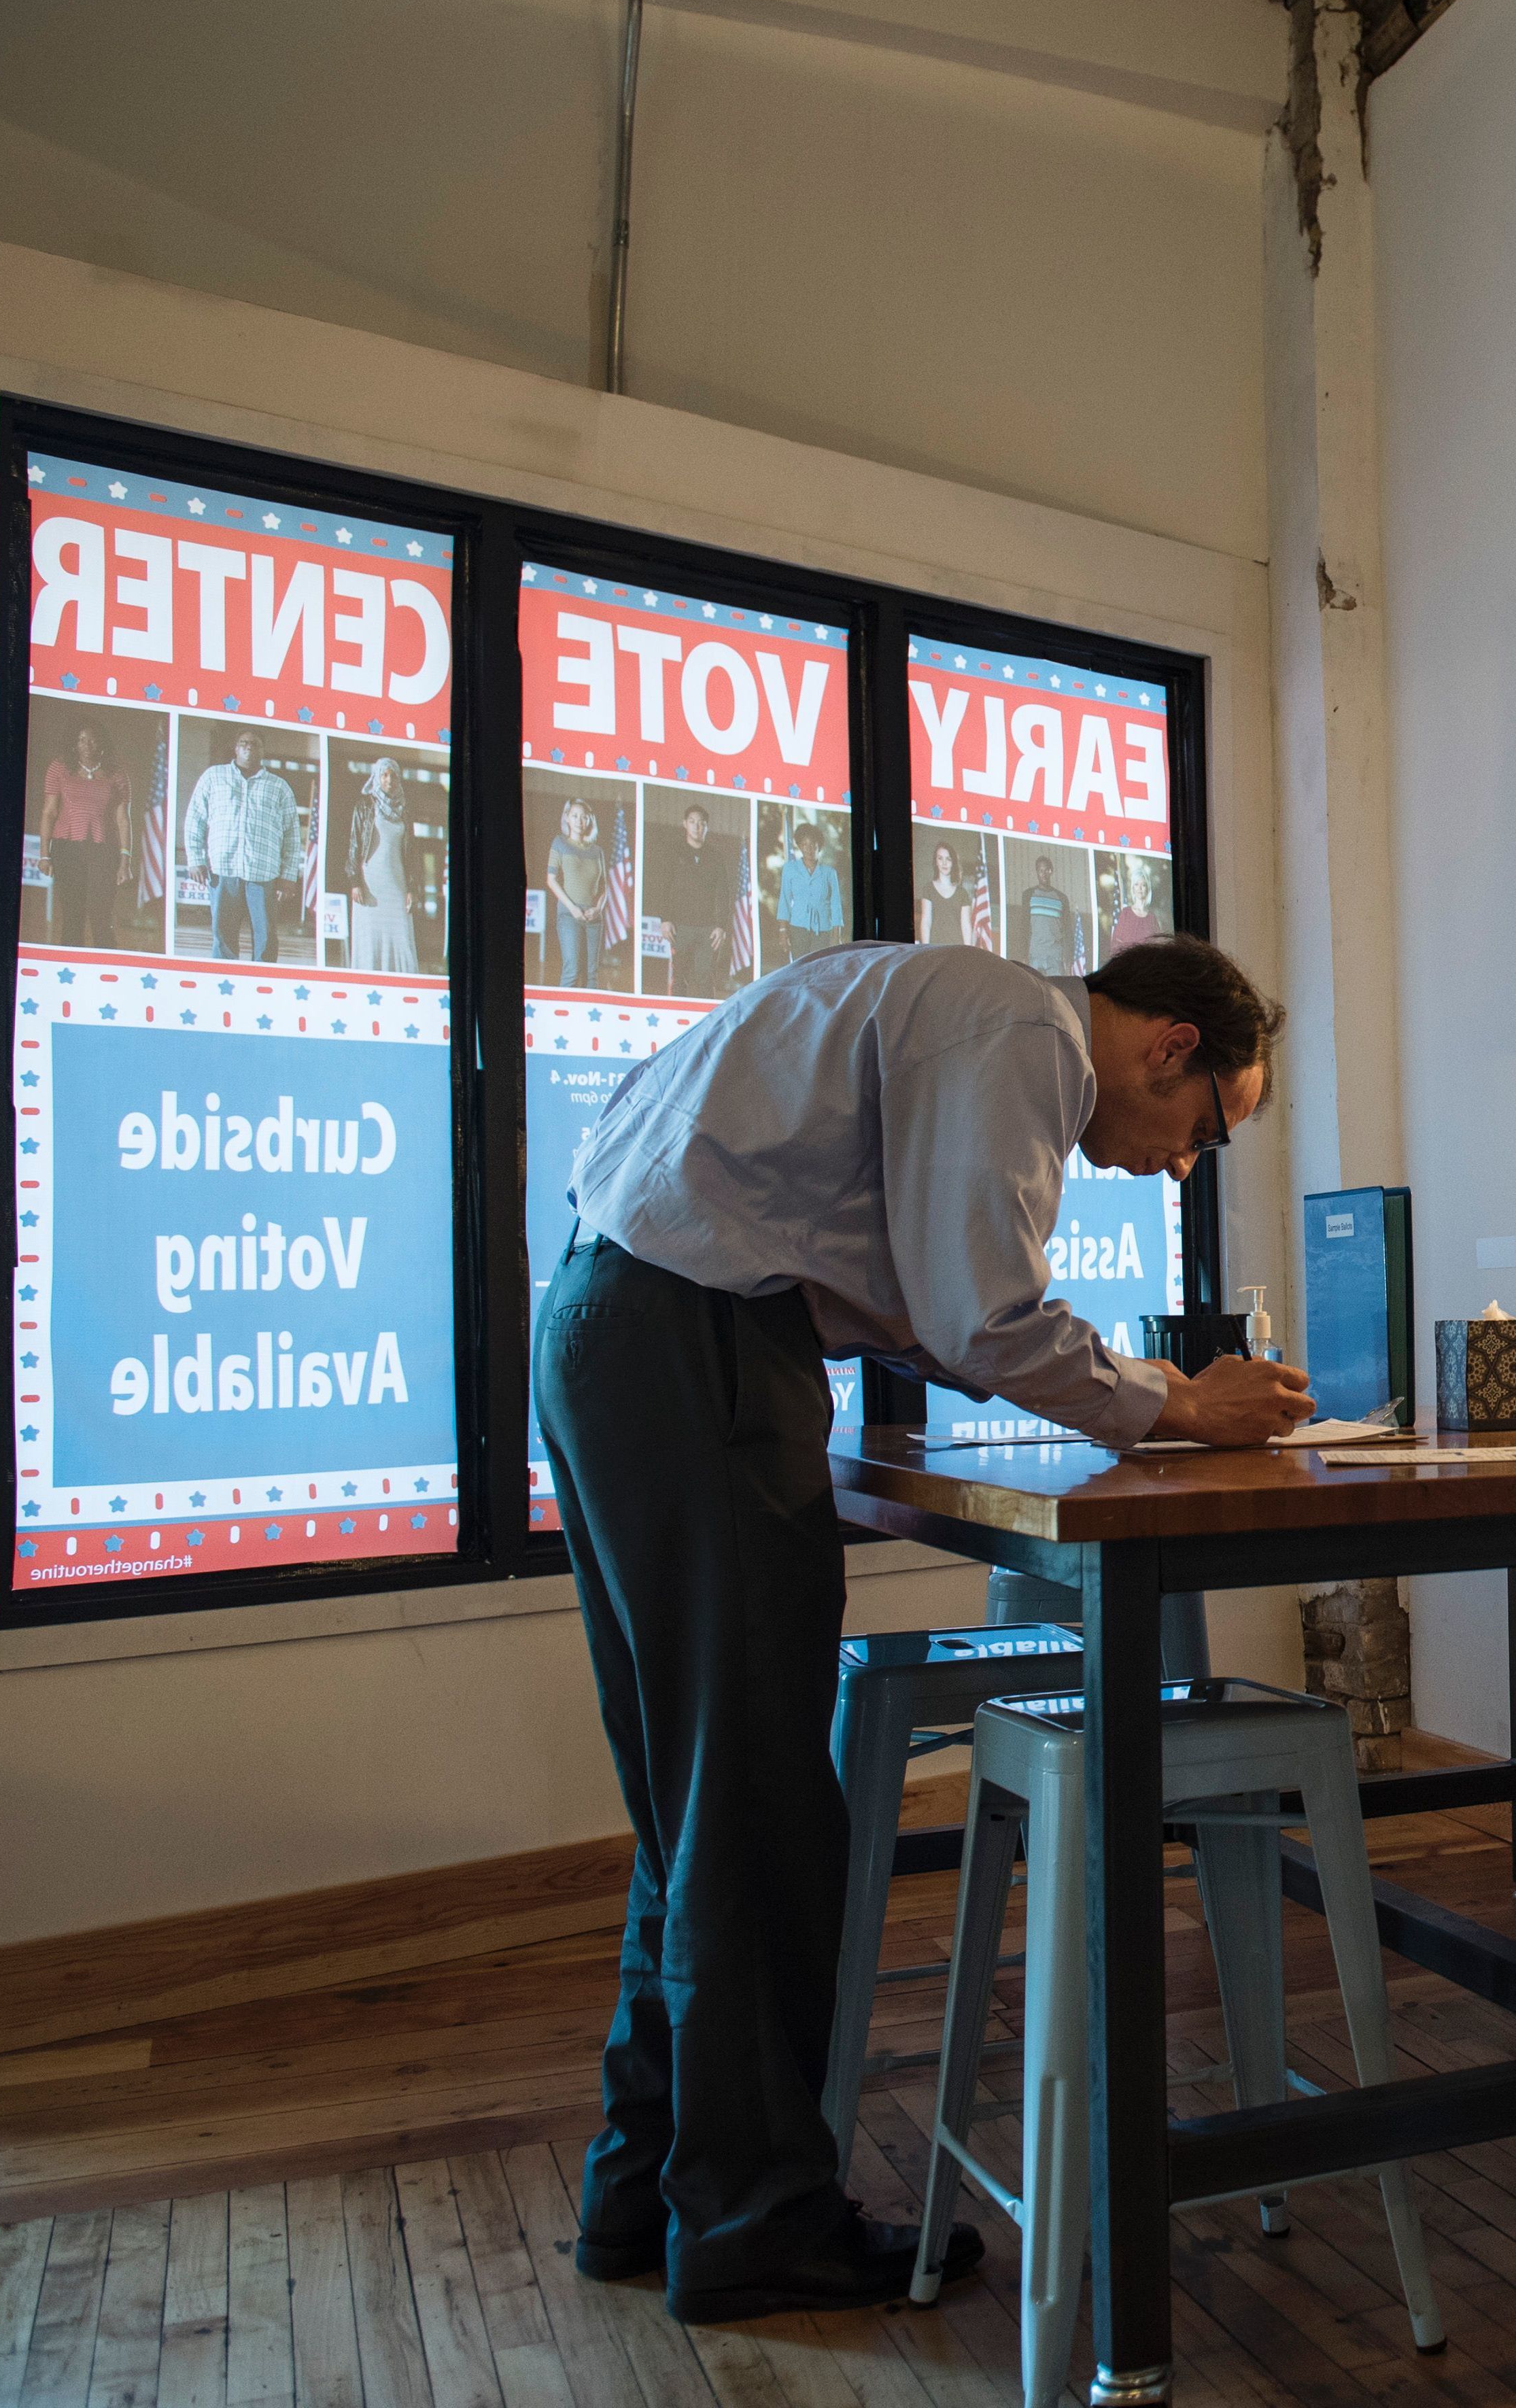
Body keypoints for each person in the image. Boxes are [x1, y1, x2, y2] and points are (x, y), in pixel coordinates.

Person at [533, 931, 1303, 2324]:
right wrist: (1180, 1401)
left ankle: (646, 2184)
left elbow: (930, 1303)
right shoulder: (1022, 1032)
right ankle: (757, 2220)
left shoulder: (932, 993)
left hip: (607, 1316)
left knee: (694, 1794)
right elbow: (983, 1312)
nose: (1179, 1162)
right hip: (696, 1345)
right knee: (757, 1800)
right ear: (1166, 1044)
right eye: (1201, 1131)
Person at [183, 729, 300, 963]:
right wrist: (195, 859)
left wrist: (288, 876)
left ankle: (263, 983)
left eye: (255, 744)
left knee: (266, 937)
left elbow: (292, 834)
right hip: (223, 869)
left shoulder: (279, 787)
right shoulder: (213, 777)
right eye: (243, 743)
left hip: (263, 874)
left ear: (262, 750)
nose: (249, 747)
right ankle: (223, 983)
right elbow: (195, 819)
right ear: (235, 748)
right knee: (224, 935)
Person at [37, 720, 126, 951]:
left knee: (101, 916)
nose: (87, 744)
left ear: (102, 743)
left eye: (92, 739)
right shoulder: (59, 768)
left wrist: (125, 860)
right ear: (74, 744)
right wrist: (44, 855)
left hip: (103, 852)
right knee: (72, 917)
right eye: (81, 739)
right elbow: (49, 812)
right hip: (68, 850)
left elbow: (122, 819)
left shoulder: (116, 775)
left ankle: (106, 973)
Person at [347, 761, 419, 974]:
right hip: (370, 881)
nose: (389, 780)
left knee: (402, 936)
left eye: (394, 775)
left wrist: (412, 889)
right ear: (377, 777)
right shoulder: (365, 806)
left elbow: (411, 853)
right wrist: (355, 882)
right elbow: (354, 846)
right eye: (385, 775)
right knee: (371, 937)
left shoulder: (405, 810)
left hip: (396, 882)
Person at [655, 802, 731, 999]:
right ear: (685, 824)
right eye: (692, 822)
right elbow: (663, 887)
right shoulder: (673, 852)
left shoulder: (715, 856)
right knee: (679, 977)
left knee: (706, 977)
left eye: (702, 823)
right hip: (680, 926)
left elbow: (723, 893)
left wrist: (721, 926)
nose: (697, 827)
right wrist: (665, 919)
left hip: (707, 929)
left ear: (707, 827)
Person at [547, 797, 608, 991]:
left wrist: (598, 909)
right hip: (569, 914)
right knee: (572, 969)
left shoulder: (597, 851)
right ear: (567, 818)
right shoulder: (559, 843)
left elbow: (605, 887)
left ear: (590, 820)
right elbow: (551, 880)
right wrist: (573, 909)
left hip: (593, 917)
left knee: (592, 973)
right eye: (574, 816)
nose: (579, 821)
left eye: (584, 817)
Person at [778, 820, 846, 961]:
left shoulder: (829, 873)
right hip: (798, 929)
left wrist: (836, 935)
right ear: (800, 847)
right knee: (800, 968)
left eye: (812, 845)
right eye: (804, 845)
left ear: (819, 846)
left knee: (820, 968)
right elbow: (784, 900)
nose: (809, 849)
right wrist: (783, 931)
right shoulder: (790, 869)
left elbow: (836, 904)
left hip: (823, 930)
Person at [1020, 854, 1072, 974]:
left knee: (1054, 990)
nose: (1044, 874)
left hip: (1055, 956)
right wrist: (1024, 955)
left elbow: (1067, 930)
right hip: (1035, 954)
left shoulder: (1061, 898)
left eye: (1046, 870)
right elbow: (1024, 926)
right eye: (1040, 870)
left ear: (1051, 871)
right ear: (1037, 872)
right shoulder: (1029, 895)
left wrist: (1067, 958)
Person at [915, 839, 959, 944]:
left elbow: (966, 926)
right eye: (940, 858)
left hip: (957, 947)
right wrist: (927, 948)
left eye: (948, 859)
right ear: (936, 861)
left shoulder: (962, 893)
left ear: (953, 862)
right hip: (937, 947)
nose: (944, 863)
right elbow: (926, 921)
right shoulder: (928, 889)